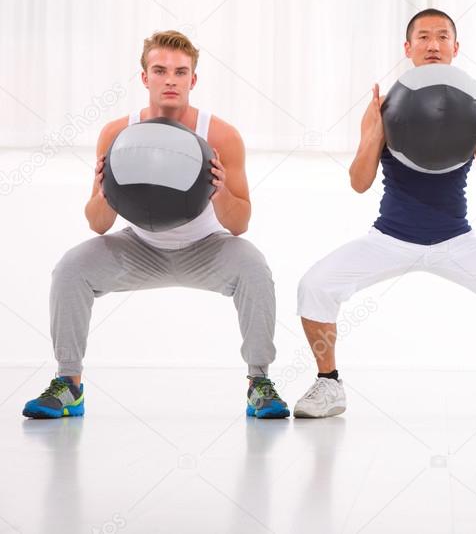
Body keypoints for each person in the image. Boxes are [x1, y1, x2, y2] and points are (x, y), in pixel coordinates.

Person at [22, 30, 289, 420]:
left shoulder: (221, 135)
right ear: (145, 77)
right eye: (160, 70)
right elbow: (98, 225)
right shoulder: (117, 133)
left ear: (193, 80)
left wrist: (219, 191)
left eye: (180, 72)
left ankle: (259, 383)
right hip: (140, 247)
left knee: (254, 268)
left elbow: (240, 224)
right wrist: (104, 191)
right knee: (70, 268)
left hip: (206, 247)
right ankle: (69, 385)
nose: (170, 80)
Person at [294, 9, 476, 419]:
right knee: (315, 286)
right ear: (408, 48)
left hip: (455, 240)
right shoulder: (387, 105)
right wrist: (375, 133)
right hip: (389, 238)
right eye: (423, 37)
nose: (433, 45)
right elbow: (359, 182)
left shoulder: (474, 107)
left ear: (455, 48)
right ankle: (328, 384)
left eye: (442, 36)